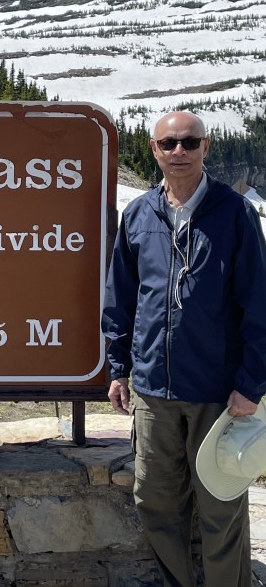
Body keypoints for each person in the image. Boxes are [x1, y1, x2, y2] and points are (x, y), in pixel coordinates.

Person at [102, 110, 266, 587]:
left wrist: (250, 383)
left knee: (220, 506)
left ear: (206, 147)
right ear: (153, 149)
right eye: (168, 143)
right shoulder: (138, 215)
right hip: (153, 390)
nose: (179, 152)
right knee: (154, 499)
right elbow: (122, 295)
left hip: (219, 393)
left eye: (189, 143)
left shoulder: (235, 214)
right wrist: (119, 367)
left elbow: (258, 304)